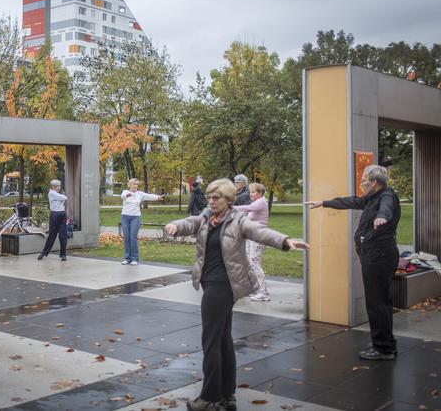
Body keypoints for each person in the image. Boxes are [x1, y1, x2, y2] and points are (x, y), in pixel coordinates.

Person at [164, 179, 309, 411]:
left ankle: (209, 397)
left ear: (229, 200)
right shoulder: (206, 219)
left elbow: (260, 231)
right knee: (222, 340)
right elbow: (189, 222)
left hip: (223, 285)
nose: (211, 201)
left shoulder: (238, 221)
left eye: (216, 198)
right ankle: (227, 394)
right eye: (209, 197)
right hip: (211, 282)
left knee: (210, 341)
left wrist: (285, 240)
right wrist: (175, 225)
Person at [305, 164, 401, 361]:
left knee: (377, 303)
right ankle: (386, 344)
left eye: (364, 180)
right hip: (375, 254)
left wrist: (382, 217)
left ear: (374, 182)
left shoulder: (386, 196)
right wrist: (324, 202)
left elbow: (387, 208)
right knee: (380, 301)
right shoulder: (373, 197)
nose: (362, 183)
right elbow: (352, 201)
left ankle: (383, 348)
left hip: (379, 256)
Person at [233, 183, 271, 301]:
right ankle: (256, 289)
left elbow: (249, 208)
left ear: (259, 193)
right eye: (250, 191)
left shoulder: (261, 202)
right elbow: (246, 213)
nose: (251, 194)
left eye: (253, 192)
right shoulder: (256, 203)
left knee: (255, 263)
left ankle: (263, 292)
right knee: (250, 263)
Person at [120, 178, 164, 266]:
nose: (135, 186)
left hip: (135, 218)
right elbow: (123, 197)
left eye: (136, 184)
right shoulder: (125, 192)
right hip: (125, 217)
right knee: (127, 238)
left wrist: (158, 197)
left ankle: (134, 259)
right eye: (133, 184)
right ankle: (127, 258)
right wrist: (128, 195)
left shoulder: (140, 194)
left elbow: (149, 196)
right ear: (129, 185)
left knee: (133, 238)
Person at [37, 179, 68, 261]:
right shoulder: (52, 193)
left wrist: (62, 198)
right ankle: (44, 253)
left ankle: (63, 255)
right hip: (54, 215)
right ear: (53, 186)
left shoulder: (56, 194)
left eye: (59, 186)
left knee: (63, 235)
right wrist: (62, 197)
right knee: (52, 235)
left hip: (62, 214)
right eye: (58, 186)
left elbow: (64, 198)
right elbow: (65, 197)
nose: (59, 187)